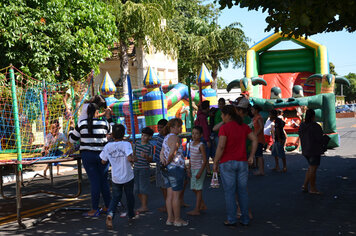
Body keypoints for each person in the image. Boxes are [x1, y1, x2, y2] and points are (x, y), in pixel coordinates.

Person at [213, 105, 257, 226]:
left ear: (227, 115)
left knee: (230, 192)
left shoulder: (224, 128)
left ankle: (232, 219)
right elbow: (254, 139)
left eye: (222, 115)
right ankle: (245, 218)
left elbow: (221, 146)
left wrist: (215, 162)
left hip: (227, 163)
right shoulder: (243, 127)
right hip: (242, 162)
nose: (222, 117)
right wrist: (252, 155)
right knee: (242, 191)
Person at [69, 103, 112, 217]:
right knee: (104, 181)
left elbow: (73, 140)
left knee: (94, 182)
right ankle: (108, 206)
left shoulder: (81, 124)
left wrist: (71, 129)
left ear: (87, 112)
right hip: (103, 155)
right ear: (97, 112)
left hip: (88, 156)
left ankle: (94, 209)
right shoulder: (104, 123)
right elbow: (111, 133)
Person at [100, 124, 136, 229]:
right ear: (123, 133)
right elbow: (129, 159)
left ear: (112, 135)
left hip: (116, 176)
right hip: (128, 175)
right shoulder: (126, 144)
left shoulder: (108, 146)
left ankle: (110, 214)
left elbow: (103, 161)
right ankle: (130, 214)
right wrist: (134, 158)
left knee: (115, 197)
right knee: (129, 195)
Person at [160, 118, 188, 227]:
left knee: (169, 195)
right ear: (172, 127)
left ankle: (170, 218)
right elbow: (173, 152)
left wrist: (164, 163)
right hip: (175, 167)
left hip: (167, 169)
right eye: (179, 126)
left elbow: (162, 153)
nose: (181, 128)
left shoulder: (166, 138)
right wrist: (168, 162)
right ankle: (177, 219)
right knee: (176, 195)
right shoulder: (176, 138)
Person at [298, 109, 325, 195]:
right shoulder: (316, 126)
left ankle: (305, 185)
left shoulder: (302, 125)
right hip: (314, 150)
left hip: (306, 150)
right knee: (313, 170)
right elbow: (319, 138)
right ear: (313, 116)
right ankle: (312, 188)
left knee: (310, 168)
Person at [186, 126, 207, 216]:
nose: (194, 135)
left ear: (201, 135)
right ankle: (202, 204)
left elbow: (205, 160)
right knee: (194, 188)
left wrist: (200, 172)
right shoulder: (190, 144)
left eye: (196, 133)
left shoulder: (201, 145)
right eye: (193, 133)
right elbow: (190, 158)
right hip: (193, 169)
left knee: (198, 189)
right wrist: (189, 169)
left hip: (199, 169)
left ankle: (197, 209)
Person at [133, 127, 154, 213]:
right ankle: (143, 205)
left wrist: (145, 156)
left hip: (144, 169)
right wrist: (133, 159)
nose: (143, 137)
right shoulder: (137, 143)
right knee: (136, 189)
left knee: (143, 188)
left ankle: (144, 206)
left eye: (145, 136)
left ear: (150, 137)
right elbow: (134, 154)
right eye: (142, 135)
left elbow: (151, 159)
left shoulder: (150, 146)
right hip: (136, 168)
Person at [153, 119, 168, 212]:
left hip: (164, 164)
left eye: (161, 128)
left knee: (165, 186)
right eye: (158, 128)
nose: (159, 130)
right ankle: (167, 204)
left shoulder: (167, 138)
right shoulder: (159, 136)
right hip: (159, 163)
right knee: (163, 186)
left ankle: (168, 205)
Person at [195, 100, 211, 172]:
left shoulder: (200, 115)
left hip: (201, 137)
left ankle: (208, 170)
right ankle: (211, 170)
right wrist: (207, 140)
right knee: (207, 155)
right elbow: (205, 129)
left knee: (204, 156)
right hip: (204, 138)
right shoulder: (203, 117)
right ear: (207, 108)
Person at [251, 105, 265, 176]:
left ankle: (261, 171)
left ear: (256, 110)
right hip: (256, 138)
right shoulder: (254, 118)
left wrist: (255, 134)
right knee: (258, 154)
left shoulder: (259, 117)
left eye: (252, 110)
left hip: (259, 139)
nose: (251, 111)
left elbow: (261, 127)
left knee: (259, 155)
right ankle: (260, 169)